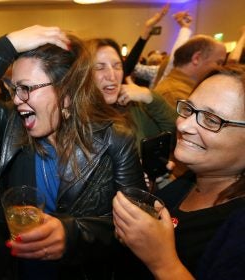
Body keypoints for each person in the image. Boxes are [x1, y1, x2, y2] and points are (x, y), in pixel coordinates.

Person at [0, 25, 146, 280]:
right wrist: (8, 45)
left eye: (26, 88)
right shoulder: (13, 125)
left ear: (66, 92)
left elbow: (137, 229)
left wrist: (72, 235)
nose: (17, 99)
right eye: (14, 88)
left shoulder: (116, 139)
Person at [113, 64, 245, 279]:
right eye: (189, 110)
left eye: (211, 120)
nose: (184, 126)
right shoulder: (191, 179)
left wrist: (163, 262)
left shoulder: (238, 225)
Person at [86, 37, 177, 152]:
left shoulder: (133, 107)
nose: (112, 76)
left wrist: (150, 97)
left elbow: (175, 134)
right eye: (99, 67)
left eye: (117, 66)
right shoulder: (74, 118)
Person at [153, 34, 227, 108]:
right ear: (196, 58)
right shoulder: (175, 95)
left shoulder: (183, 89)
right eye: (218, 63)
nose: (220, 69)